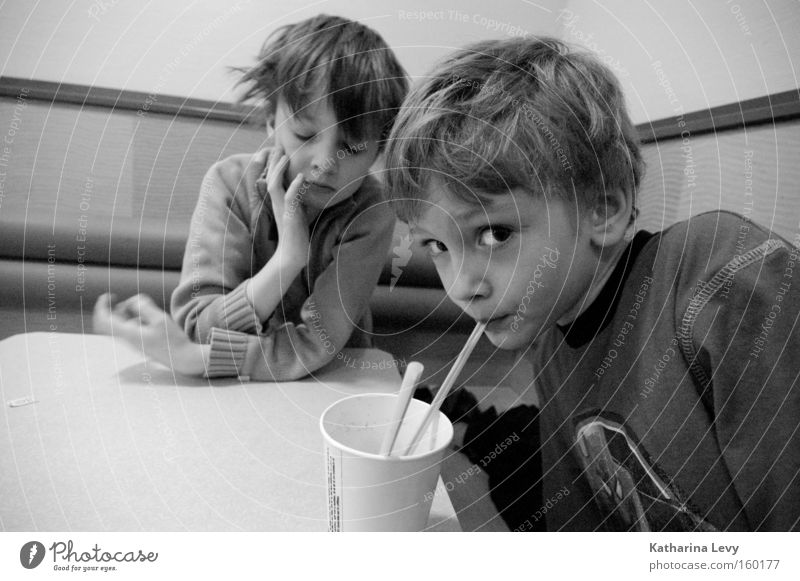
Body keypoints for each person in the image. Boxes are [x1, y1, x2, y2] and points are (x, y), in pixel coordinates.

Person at [383, 36, 800, 531]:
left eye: (494, 233)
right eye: (437, 247)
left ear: (604, 208)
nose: (462, 286)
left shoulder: (723, 279)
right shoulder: (551, 353)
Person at [94, 15, 408, 381]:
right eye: (304, 135)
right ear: (271, 121)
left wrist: (200, 360)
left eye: (352, 147)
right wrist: (287, 260)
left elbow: (316, 344)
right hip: (234, 390)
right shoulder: (229, 184)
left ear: (378, 151)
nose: (323, 165)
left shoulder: (372, 212)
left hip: (333, 381)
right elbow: (199, 326)